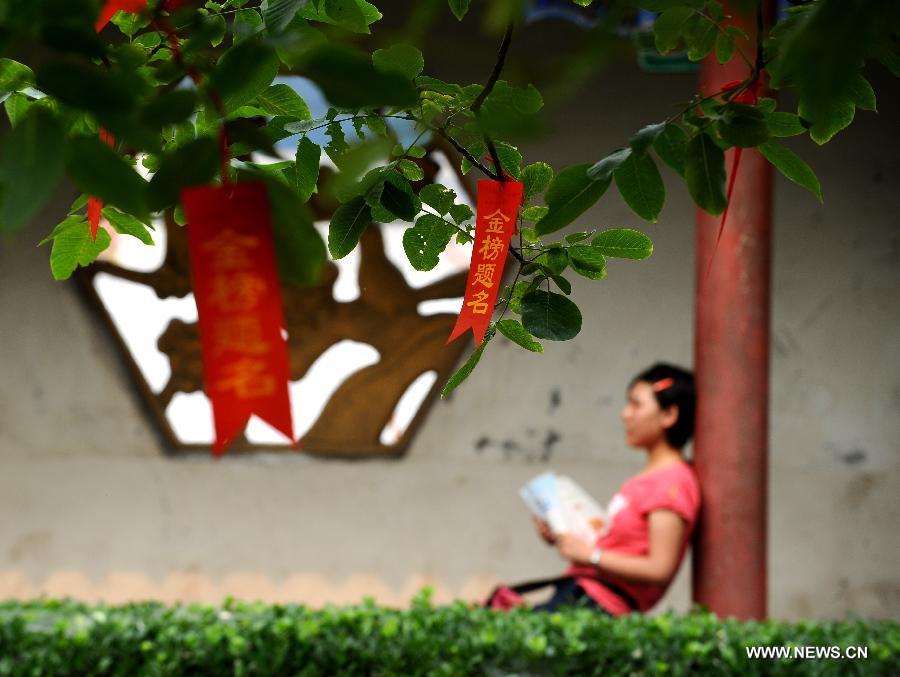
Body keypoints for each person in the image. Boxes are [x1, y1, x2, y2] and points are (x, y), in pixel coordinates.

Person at [530, 363, 701, 615]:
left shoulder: (673, 482)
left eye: (636, 404)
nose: (625, 414)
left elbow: (659, 568)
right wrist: (562, 534)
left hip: (597, 606)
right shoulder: (652, 478)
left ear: (669, 415)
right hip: (581, 595)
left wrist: (591, 555)